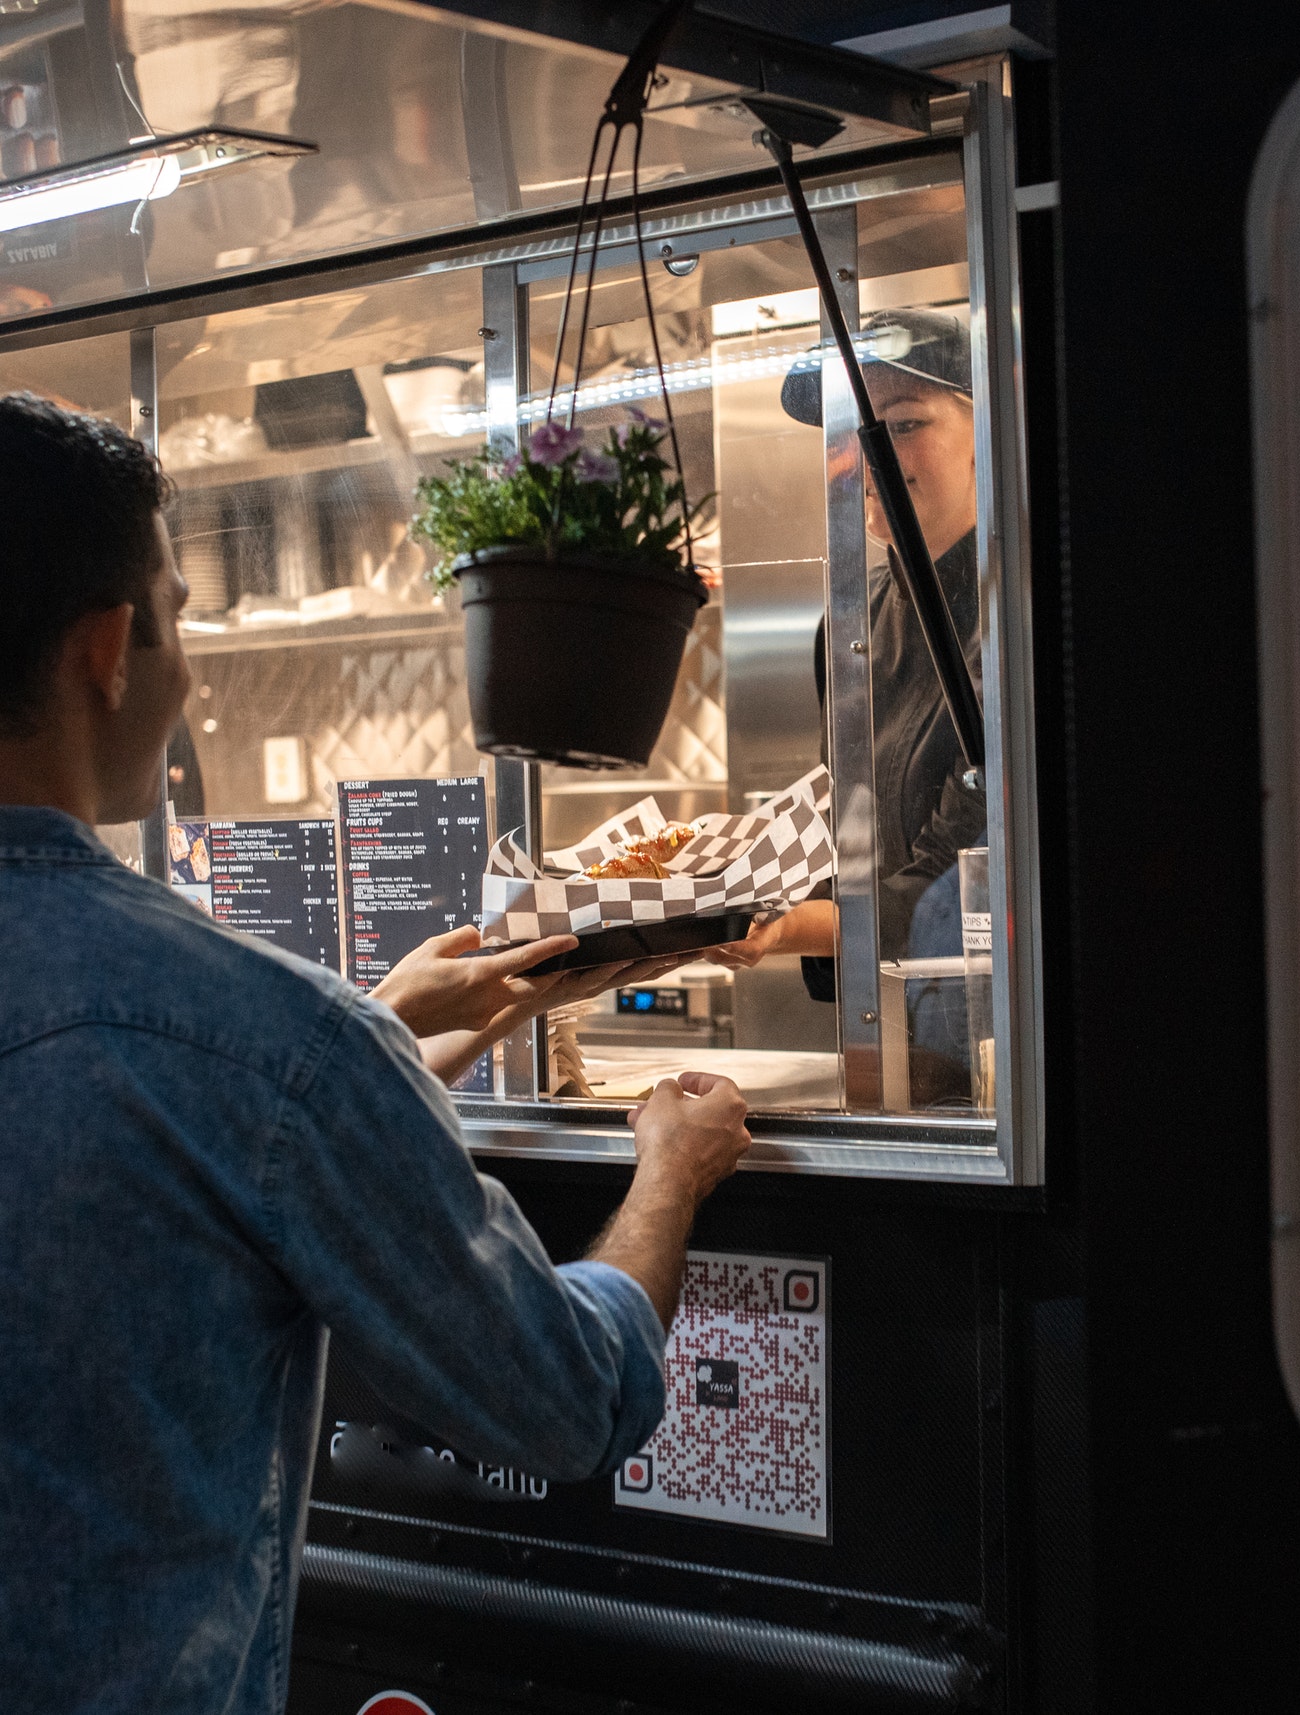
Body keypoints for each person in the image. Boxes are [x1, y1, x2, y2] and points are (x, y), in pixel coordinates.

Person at [0, 392, 751, 1713]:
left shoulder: (275, 1046)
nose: (190, 675)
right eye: (180, 616)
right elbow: (563, 1398)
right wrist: (669, 1173)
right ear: (109, 648)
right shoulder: (261, 1037)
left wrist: (373, 1033)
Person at [709, 310, 986, 1097]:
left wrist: (777, 925)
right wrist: (730, 880)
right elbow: (846, 840)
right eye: (844, 433)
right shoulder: (851, 618)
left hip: (1009, 1037)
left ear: (985, 432)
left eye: (901, 425)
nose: (865, 458)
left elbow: (960, 876)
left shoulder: (1022, 612)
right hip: (891, 1035)